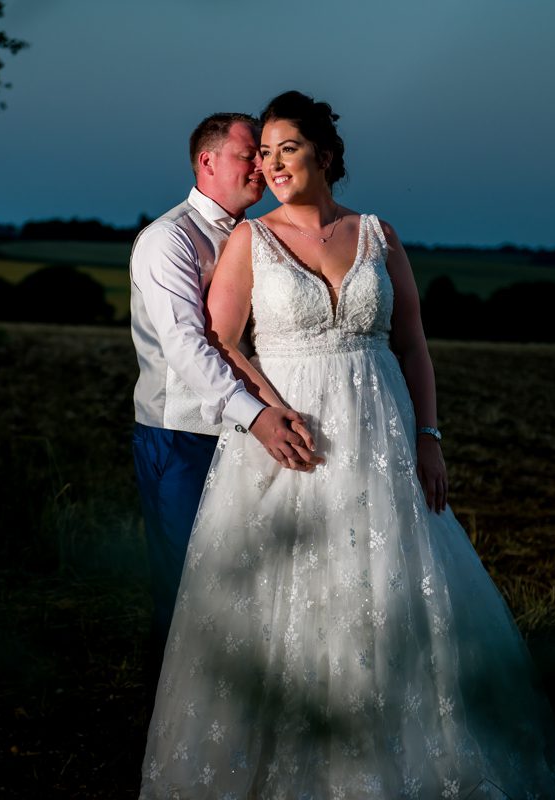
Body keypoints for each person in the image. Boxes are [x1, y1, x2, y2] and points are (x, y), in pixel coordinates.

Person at [139, 92, 555, 799]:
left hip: (382, 436)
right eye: (264, 153)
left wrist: (430, 438)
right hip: (291, 444)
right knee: (290, 597)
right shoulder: (251, 240)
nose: (272, 164)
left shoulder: (378, 234)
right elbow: (222, 342)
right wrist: (271, 414)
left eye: (287, 149)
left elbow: (414, 346)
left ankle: (403, 758)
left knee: (390, 585)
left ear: (327, 156)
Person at [130, 112, 322, 684]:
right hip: (184, 435)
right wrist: (259, 417)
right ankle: (173, 734)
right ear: (206, 161)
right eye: (248, 155)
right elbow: (189, 351)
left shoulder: (260, 235)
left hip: (250, 436)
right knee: (190, 588)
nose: (260, 168)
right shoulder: (169, 239)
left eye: (264, 156)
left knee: (255, 586)